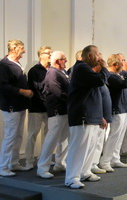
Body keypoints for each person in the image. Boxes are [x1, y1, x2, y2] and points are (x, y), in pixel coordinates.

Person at [65, 45, 108, 189]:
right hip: (82, 114)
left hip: (91, 115)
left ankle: (85, 172)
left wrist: (99, 116)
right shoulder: (81, 68)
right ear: (89, 56)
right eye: (97, 55)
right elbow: (100, 81)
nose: (100, 58)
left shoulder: (86, 69)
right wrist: (104, 67)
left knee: (90, 146)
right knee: (78, 147)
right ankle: (71, 178)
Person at [0, 39, 33, 176]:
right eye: (22, 48)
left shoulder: (16, 64)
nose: (24, 51)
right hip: (11, 106)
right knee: (10, 136)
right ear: (13, 48)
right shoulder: (4, 65)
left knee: (18, 136)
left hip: (19, 106)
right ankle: (2, 167)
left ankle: (13, 163)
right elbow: (2, 86)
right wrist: (22, 91)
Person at [36, 51, 70, 179]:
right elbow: (57, 92)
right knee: (51, 140)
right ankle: (42, 167)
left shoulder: (62, 72)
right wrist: (72, 100)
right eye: (64, 59)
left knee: (64, 139)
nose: (66, 62)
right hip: (57, 111)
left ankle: (60, 163)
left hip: (64, 111)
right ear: (57, 61)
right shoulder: (52, 73)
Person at [99, 54, 127, 171]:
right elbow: (125, 84)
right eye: (121, 62)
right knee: (114, 136)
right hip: (117, 110)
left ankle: (115, 158)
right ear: (114, 64)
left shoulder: (119, 75)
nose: (124, 64)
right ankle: (105, 161)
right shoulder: (111, 76)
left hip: (123, 109)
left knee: (119, 136)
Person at [25, 46, 52, 170]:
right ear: (41, 55)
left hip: (50, 109)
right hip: (36, 107)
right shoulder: (34, 71)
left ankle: (44, 158)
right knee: (32, 135)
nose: (51, 55)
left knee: (48, 135)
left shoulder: (52, 70)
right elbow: (36, 89)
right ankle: (29, 161)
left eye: (51, 53)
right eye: (48, 53)